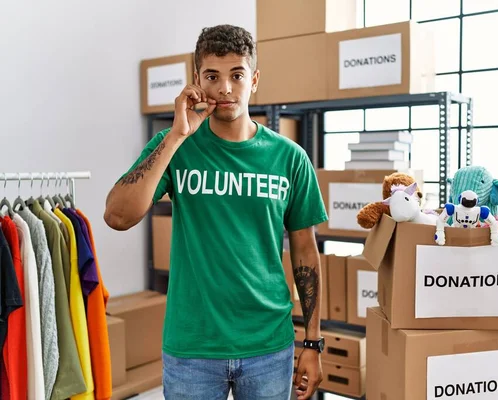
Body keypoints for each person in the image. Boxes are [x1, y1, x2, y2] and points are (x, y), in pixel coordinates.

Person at [103, 24, 329, 400]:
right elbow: (117, 216)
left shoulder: (290, 158)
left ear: (253, 80)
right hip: (192, 347)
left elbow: (306, 250)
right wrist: (176, 135)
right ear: (197, 81)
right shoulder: (175, 146)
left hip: (268, 346)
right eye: (213, 76)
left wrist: (314, 342)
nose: (225, 88)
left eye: (236, 75)